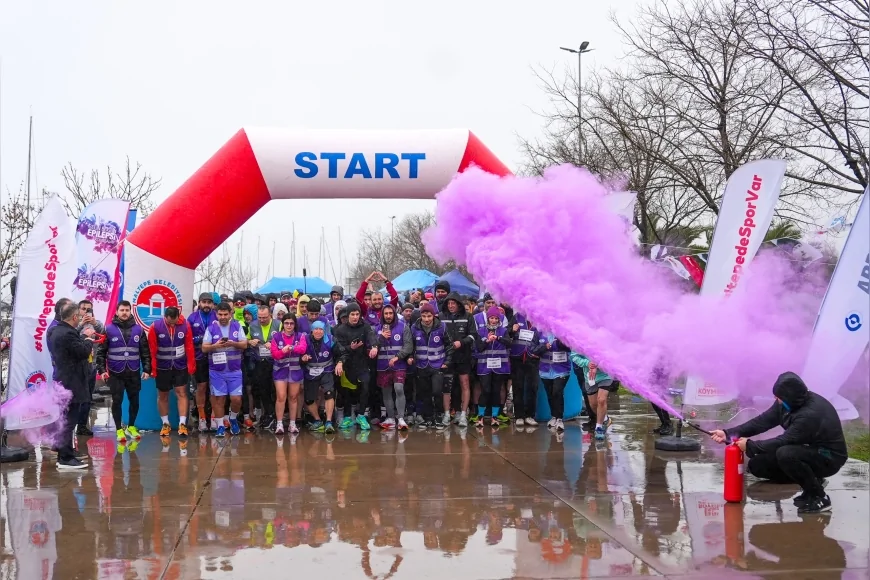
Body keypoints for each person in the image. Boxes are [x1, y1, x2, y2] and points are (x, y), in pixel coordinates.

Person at [711, 372, 847, 514]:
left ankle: (820, 497)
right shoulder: (788, 403)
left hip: (828, 457)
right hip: (808, 450)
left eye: (778, 397)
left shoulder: (809, 415)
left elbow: (784, 441)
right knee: (757, 465)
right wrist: (728, 433)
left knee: (786, 454)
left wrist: (750, 445)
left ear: (789, 396)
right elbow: (762, 422)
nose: (775, 399)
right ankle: (812, 480)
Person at [47, 302, 97, 470]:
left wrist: (82, 336)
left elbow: (74, 346)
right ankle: (65, 458)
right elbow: (82, 352)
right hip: (71, 382)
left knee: (67, 420)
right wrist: (89, 338)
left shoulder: (57, 330)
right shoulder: (67, 334)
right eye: (79, 316)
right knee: (69, 421)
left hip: (65, 380)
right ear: (74, 317)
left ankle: (66, 452)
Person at [95, 301, 152, 443]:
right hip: (115, 373)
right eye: (122, 310)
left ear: (130, 311)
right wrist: (102, 370)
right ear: (117, 312)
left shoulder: (139, 330)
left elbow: (145, 352)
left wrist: (147, 369)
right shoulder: (108, 329)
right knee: (117, 401)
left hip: (133, 372)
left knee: (135, 402)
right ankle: (119, 430)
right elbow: (101, 352)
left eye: (127, 310)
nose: (125, 312)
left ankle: (131, 427)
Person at [147, 306, 196, 438]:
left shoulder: (185, 325)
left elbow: (189, 346)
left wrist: (191, 364)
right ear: (165, 317)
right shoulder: (155, 326)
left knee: (181, 393)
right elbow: (151, 349)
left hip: (180, 366)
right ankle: (165, 424)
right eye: (170, 322)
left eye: (175, 322)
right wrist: (152, 368)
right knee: (163, 396)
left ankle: (182, 424)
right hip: (162, 367)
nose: (173, 324)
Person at [201, 302, 248, 437]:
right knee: (219, 399)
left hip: (234, 370)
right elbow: (204, 348)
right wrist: (215, 345)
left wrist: (233, 343)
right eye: (220, 314)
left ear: (230, 314)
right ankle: (221, 425)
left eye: (225, 314)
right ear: (216, 314)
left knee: (236, 399)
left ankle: (233, 418)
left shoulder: (237, 326)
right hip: (217, 371)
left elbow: (244, 345)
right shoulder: (211, 328)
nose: (222, 317)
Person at [334, 302, 378, 430]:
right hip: (347, 364)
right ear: (348, 315)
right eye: (352, 314)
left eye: (357, 314)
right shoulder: (341, 329)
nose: (355, 317)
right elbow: (339, 349)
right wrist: (350, 348)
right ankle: (348, 417)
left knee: (365, 387)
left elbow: (371, 336)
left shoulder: (365, 326)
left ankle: (361, 415)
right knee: (347, 392)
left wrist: (374, 347)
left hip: (362, 363)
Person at [410, 303, 454, 429]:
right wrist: (410, 357)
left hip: (437, 365)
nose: (427, 319)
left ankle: (439, 416)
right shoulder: (415, 327)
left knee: (437, 391)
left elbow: (449, 345)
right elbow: (411, 346)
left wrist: (447, 362)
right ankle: (428, 417)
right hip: (421, 365)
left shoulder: (442, 326)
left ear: (433, 315)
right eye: (424, 316)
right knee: (425, 393)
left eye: (429, 316)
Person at [375, 303, 413, 430]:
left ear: (394, 313)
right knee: (386, 392)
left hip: (399, 364)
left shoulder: (403, 327)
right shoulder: (376, 329)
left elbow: (408, 346)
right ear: (382, 315)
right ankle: (390, 418)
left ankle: (401, 418)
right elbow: (372, 346)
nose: (388, 316)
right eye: (386, 313)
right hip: (382, 365)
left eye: (390, 313)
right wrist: (381, 338)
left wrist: (398, 357)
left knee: (398, 388)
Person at [472, 306, 513, 428]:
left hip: (499, 366)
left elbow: (509, 343)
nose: (494, 320)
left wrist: (499, 338)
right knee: (485, 390)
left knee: (496, 391)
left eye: (496, 318)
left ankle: (495, 417)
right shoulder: (481, 331)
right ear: (488, 319)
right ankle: (480, 417)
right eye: (491, 318)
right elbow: (478, 347)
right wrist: (487, 341)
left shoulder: (503, 331)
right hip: (484, 367)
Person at [440, 292, 475, 427]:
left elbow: (473, 336)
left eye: (453, 303)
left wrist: (462, 342)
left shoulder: (468, 317)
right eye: (448, 303)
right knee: (447, 386)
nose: (450, 306)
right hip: (447, 357)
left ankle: (463, 415)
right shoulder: (442, 316)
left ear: (459, 304)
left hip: (463, 356)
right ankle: (447, 414)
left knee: (464, 384)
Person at [270, 313, 308, 435]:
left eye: (292, 323)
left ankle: (292, 423)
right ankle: (280, 423)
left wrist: (291, 348)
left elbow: (303, 349)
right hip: (280, 371)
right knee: (281, 397)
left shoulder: (300, 336)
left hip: (295, 371)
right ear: (283, 324)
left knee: (293, 397)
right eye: (286, 323)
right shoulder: (276, 337)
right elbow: (275, 354)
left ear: (295, 324)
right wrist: (283, 351)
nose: (289, 325)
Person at [301, 321, 340, 433]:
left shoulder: (331, 339)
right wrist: (302, 359)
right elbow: (298, 353)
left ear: (324, 330)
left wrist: (340, 362)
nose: (318, 331)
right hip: (310, 371)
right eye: (316, 329)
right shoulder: (305, 339)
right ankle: (318, 421)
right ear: (312, 330)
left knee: (329, 393)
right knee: (309, 399)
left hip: (327, 369)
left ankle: (328, 422)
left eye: (321, 329)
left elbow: (341, 352)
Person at [508, 313, 546, 427]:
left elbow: (544, 341)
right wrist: (512, 330)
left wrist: (537, 351)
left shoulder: (540, 320)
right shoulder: (517, 317)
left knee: (532, 387)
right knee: (518, 386)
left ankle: (530, 415)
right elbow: (506, 333)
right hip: (517, 357)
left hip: (532, 359)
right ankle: (519, 416)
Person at [76, 299, 105, 436]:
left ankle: (82, 425)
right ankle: (70, 426)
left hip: (91, 365)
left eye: (89, 309)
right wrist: (81, 324)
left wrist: (94, 322)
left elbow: (104, 333)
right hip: (77, 366)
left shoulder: (96, 324)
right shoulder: (74, 323)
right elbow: (70, 336)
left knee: (88, 396)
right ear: (78, 310)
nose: (86, 311)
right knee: (76, 398)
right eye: (83, 308)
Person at [571, 352, 616, 440]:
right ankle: (605, 419)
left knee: (601, 400)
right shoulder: (579, 340)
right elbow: (574, 356)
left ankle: (598, 427)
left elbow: (612, 355)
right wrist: (587, 363)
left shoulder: (606, 339)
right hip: (590, 377)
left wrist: (597, 365)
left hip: (606, 375)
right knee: (593, 405)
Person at [188, 292, 217, 432]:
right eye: (204, 302)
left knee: (214, 388)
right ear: (199, 303)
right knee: (201, 387)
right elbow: (187, 338)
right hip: (199, 357)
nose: (206, 305)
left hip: (216, 357)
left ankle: (213, 417)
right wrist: (200, 339)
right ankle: (201, 419)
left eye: (209, 302)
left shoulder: (218, 316)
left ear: (212, 304)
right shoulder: (192, 318)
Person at [248, 305, 279, 430]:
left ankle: (276, 416)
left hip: (275, 362)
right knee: (263, 390)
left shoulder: (278, 324)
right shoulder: (252, 325)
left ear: (270, 315)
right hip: (260, 362)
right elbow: (244, 340)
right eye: (260, 317)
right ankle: (268, 414)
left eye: (265, 317)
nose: (262, 320)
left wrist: (273, 344)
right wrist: (250, 342)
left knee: (275, 390)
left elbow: (285, 339)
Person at [539, 335, 571, 431]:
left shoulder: (563, 331)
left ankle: (559, 419)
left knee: (557, 392)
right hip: (545, 369)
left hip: (562, 369)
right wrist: (544, 347)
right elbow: (533, 348)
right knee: (550, 394)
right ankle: (553, 416)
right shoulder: (539, 332)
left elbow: (569, 347)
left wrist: (560, 338)